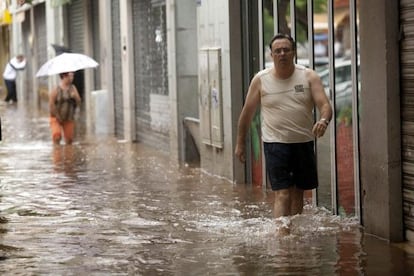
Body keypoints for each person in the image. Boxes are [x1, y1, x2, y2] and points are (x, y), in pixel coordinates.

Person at [235, 33, 333, 218]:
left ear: (293, 53)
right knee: (283, 193)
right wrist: (240, 143)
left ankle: (293, 232)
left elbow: (325, 105)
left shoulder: (309, 76)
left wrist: (323, 121)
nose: (282, 54)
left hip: (303, 141)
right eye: (277, 51)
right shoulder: (261, 79)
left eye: (286, 50)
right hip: (275, 143)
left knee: (298, 193)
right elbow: (247, 113)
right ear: (271, 55)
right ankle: (282, 237)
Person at [49, 72, 81, 145]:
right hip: (56, 117)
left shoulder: (73, 88)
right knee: (57, 136)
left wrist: (75, 97)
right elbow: (51, 103)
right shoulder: (56, 89)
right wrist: (57, 115)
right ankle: (57, 153)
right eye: (70, 76)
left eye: (73, 76)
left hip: (68, 117)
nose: (72, 78)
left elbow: (79, 102)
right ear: (64, 76)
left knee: (69, 140)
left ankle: (68, 154)